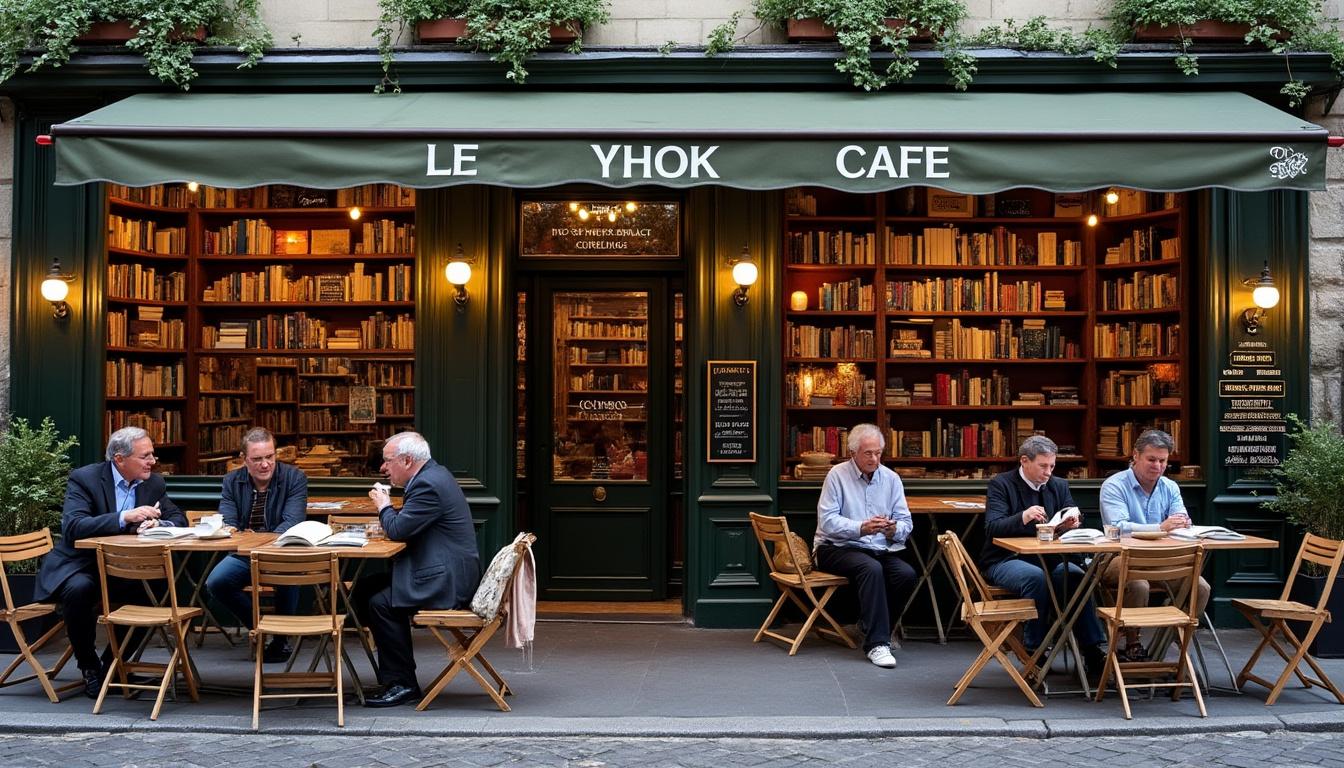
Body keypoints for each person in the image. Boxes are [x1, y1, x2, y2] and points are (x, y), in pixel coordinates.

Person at [33, 426, 187, 699]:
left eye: (153, 454)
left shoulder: (153, 483)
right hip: (80, 564)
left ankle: (112, 666)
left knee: (158, 587)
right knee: (79, 589)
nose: (153, 461)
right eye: (145, 456)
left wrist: (157, 524)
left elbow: (179, 518)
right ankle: (89, 666)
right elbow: (74, 526)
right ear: (119, 459)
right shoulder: (85, 479)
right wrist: (125, 517)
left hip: (123, 567)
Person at [355, 431, 481, 707]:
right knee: (363, 590)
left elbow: (398, 530)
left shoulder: (427, 485)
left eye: (388, 461)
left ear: (407, 460)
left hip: (447, 582)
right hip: (442, 571)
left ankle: (402, 683)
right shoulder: (433, 475)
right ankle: (390, 673)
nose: (383, 468)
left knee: (381, 604)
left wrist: (384, 505)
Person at [981, 435, 1107, 675]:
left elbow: (1071, 513)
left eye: (1052, 466)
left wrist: (1071, 523)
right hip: (1006, 559)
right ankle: (1034, 651)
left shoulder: (1058, 485)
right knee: (1035, 578)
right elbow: (992, 528)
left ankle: (1092, 649)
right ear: (1024, 461)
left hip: (1052, 558)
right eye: (1043, 466)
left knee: (1075, 576)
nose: (1048, 472)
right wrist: (1023, 516)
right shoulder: (1001, 484)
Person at [1099, 428, 1209, 661]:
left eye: (1163, 461)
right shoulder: (1115, 485)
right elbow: (1117, 527)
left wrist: (1180, 524)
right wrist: (1161, 527)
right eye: (1151, 460)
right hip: (1120, 557)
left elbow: (1180, 520)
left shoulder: (1170, 487)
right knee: (1139, 585)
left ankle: (1169, 640)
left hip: (1163, 560)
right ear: (1135, 455)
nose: (1157, 466)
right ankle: (1132, 644)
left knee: (1201, 587)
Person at [813, 423, 918, 669]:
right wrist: (861, 527)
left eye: (878, 453)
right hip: (835, 546)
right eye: (868, 453)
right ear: (853, 453)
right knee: (871, 568)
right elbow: (827, 521)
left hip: (878, 547)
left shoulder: (891, 479)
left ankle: (873, 627)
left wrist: (893, 529)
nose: (874, 459)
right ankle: (877, 644)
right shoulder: (837, 475)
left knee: (906, 574)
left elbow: (906, 522)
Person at [203, 427, 308, 663]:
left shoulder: (294, 478)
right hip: (245, 553)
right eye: (257, 459)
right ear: (244, 459)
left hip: (281, 551)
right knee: (217, 582)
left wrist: (256, 539)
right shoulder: (232, 481)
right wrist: (246, 539)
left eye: (270, 457)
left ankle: (281, 640)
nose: (265, 464)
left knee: (289, 573)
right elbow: (229, 522)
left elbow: (292, 522)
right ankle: (261, 628)